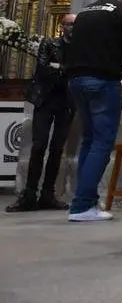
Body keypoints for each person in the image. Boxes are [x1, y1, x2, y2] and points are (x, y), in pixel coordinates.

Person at [65, 0, 122, 222]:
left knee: (89, 141)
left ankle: (85, 202)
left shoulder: (85, 12)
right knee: (102, 142)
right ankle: (82, 206)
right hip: (102, 82)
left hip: (76, 81)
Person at [6, 14, 77, 212]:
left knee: (57, 149)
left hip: (67, 102)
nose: (72, 28)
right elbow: (44, 69)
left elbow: (78, 71)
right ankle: (29, 195)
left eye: (75, 25)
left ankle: (47, 195)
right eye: (69, 24)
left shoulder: (81, 49)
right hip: (45, 100)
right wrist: (65, 69)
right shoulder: (49, 43)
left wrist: (60, 67)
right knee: (38, 146)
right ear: (62, 26)